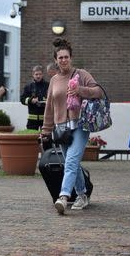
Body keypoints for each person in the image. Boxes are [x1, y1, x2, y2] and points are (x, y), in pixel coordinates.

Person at [41, 38, 103, 215]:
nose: (63, 60)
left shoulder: (81, 74)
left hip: (80, 125)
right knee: (73, 164)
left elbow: (98, 91)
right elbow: (50, 106)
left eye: (66, 57)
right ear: (56, 60)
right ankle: (82, 195)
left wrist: (80, 91)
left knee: (70, 161)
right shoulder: (54, 80)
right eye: (60, 58)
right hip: (61, 128)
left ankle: (63, 196)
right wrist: (46, 130)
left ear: (71, 57)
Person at [20, 65, 49, 130]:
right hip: (32, 119)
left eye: (40, 74)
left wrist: (48, 101)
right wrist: (30, 100)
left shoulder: (48, 85)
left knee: (45, 138)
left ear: (42, 74)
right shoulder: (28, 86)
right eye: (36, 74)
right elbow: (22, 99)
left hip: (45, 119)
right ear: (33, 75)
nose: (38, 76)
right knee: (31, 138)